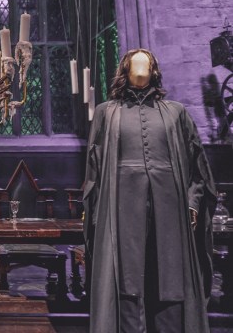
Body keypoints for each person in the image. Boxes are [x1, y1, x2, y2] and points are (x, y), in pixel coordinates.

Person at [83, 48, 217, 333]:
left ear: (155, 70)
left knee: (169, 275)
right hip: (120, 207)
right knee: (126, 279)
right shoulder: (107, 112)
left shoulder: (176, 112)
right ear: (125, 69)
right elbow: (94, 169)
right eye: (136, 61)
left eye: (147, 61)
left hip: (169, 207)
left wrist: (192, 203)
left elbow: (197, 166)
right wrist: (94, 213)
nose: (142, 65)